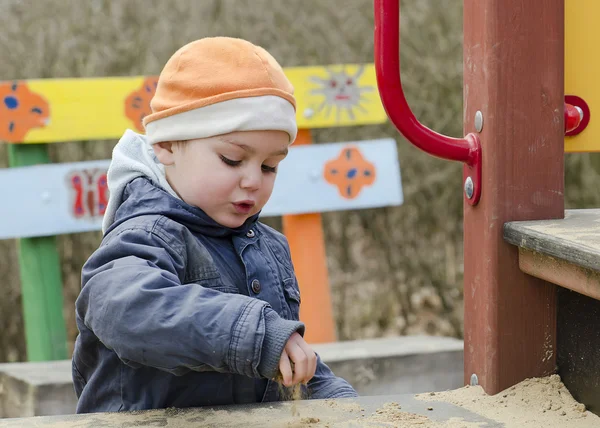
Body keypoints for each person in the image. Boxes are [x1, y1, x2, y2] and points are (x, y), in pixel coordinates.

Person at [72, 36, 357, 413]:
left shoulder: (268, 248)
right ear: (168, 145)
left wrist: (342, 402)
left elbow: (287, 356)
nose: (254, 180)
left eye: (270, 166)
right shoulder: (148, 234)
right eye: (233, 159)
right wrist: (257, 336)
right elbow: (124, 309)